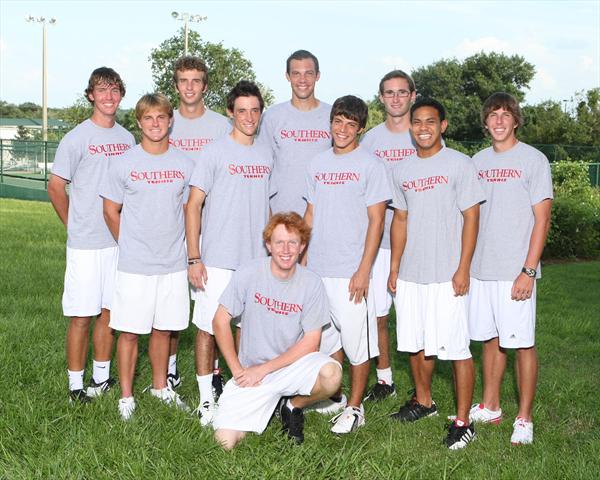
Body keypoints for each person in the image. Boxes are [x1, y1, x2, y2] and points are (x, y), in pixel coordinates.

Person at [387, 99, 485, 450]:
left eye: (430, 121)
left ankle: (463, 422)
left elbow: (472, 218)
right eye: (417, 122)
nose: (423, 127)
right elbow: (400, 219)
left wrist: (463, 267)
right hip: (412, 273)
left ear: (443, 125)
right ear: (410, 126)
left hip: (448, 274)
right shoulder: (400, 170)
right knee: (415, 343)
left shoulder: (460, 164)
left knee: (457, 347)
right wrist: (395, 267)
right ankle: (424, 402)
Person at [212, 212, 342, 449]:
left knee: (332, 376)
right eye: (279, 242)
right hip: (251, 374)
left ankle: (293, 405)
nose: (286, 249)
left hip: (291, 366)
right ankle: (267, 404)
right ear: (268, 244)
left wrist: (264, 369)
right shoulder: (248, 273)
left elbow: (312, 342)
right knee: (223, 443)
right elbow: (220, 320)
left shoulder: (312, 283)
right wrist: (238, 370)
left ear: (302, 246)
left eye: (293, 242)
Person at [101, 93, 194, 420]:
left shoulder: (185, 163)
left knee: (164, 329)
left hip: (172, 263)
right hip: (135, 264)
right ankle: (125, 396)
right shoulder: (125, 162)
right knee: (128, 330)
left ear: (170, 121)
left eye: (161, 117)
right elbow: (110, 210)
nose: (155, 124)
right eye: (148, 118)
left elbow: (188, 211)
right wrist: (128, 243)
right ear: (139, 122)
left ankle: (160, 387)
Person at [186, 80, 273, 427]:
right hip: (217, 259)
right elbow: (193, 205)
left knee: (247, 329)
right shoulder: (214, 152)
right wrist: (194, 257)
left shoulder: (267, 153)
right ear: (230, 113)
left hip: (255, 260)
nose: (249, 117)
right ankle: (207, 401)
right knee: (208, 327)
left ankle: (239, 394)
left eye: (254, 110)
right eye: (242, 111)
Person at [468, 92, 553, 445]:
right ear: (485, 122)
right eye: (493, 115)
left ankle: (524, 418)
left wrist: (528, 270)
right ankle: (491, 406)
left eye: (506, 114)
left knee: (522, 344)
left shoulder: (534, 160)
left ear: (516, 120)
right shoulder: (476, 160)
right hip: (480, 269)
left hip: (515, 270)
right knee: (490, 340)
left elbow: (542, 219)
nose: (499, 121)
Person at [304, 95, 391, 434]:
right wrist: (304, 259)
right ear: (330, 123)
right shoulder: (317, 164)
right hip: (318, 269)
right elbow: (310, 214)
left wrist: (364, 270)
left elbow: (377, 222)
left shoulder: (371, 166)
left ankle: (356, 408)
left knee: (357, 342)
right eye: (338, 122)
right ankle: (335, 397)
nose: (342, 129)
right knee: (327, 341)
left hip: (351, 272)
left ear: (361, 129)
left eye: (350, 124)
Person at [48, 67, 135, 403]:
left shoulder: (128, 139)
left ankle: (101, 380)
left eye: (114, 90)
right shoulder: (76, 138)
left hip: (117, 241)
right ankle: (75, 386)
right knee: (82, 315)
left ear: (121, 95)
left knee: (110, 313)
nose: (109, 96)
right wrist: (74, 224)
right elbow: (56, 187)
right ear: (90, 96)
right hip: (85, 243)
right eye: (102, 90)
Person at [166, 55, 231, 395]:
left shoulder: (222, 125)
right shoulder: (165, 121)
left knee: (213, 303)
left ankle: (216, 371)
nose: (189, 87)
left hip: (213, 226)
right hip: (168, 225)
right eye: (183, 80)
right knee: (175, 301)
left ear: (205, 86)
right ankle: (171, 371)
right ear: (175, 85)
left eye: (196, 81)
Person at [360, 70, 417, 401]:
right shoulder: (371, 141)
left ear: (412, 95)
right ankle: (384, 379)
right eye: (389, 93)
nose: (395, 98)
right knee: (379, 314)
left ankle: (420, 387)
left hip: (418, 241)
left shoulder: (424, 133)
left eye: (401, 92)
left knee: (412, 316)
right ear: (381, 98)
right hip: (380, 241)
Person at [259, 49, 331, 215]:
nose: (302, 80)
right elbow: (262, 169)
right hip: (282, 214)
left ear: (317, 76)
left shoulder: (333, 115)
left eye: (308, 73)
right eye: (296, 73)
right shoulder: (271, 117)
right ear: (287, 76)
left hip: (324, 215)